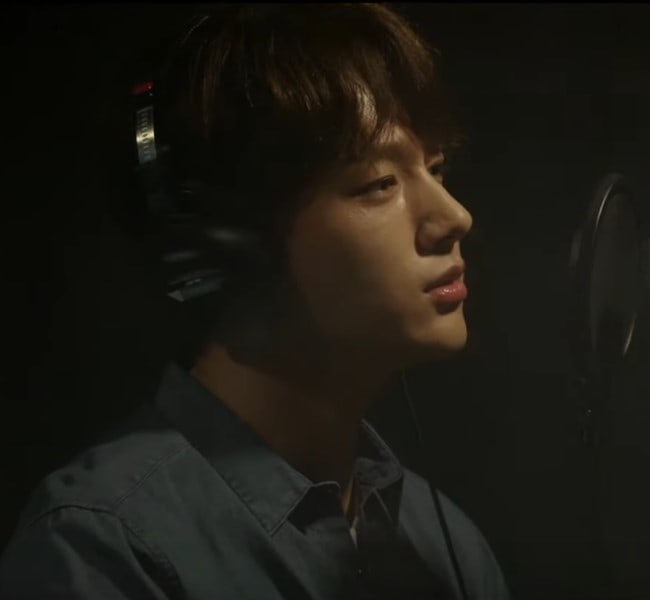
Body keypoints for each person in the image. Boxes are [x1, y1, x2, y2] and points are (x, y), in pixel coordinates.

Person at [0, 4, 510, 599]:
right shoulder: (107, 551)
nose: (455, 217)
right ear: (236, 241)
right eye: (379, 183)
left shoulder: (445, 546)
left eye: (436, 168)